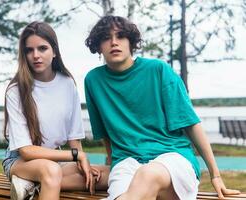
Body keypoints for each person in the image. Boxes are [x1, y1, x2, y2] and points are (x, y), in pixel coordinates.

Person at [84, 15, 240, 200]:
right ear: (98, 46)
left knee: (147, 175)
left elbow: (190, 123)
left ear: (131, 42)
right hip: (127, 163)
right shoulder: (93, 81)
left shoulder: (158, 70)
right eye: (106, 38)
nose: (114, 42)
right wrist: (113, 162)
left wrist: (215, 175)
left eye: (120, 36)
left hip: (172, 158)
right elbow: (105, 133)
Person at [2, 21, 108, 200]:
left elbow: (74, 139)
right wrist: (76, 155)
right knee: (50, 171)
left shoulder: (67, 84)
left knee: (108, 174)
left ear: (54, 52)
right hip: (20, 161)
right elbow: (27, 151)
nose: (36, 55)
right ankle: (33, 177)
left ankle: (33, 184)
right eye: (29, 50)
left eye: (42, 48)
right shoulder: (15, 90)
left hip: (55, 162)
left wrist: (84, 164)